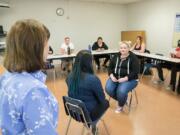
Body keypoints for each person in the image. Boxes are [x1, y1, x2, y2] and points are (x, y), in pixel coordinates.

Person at [0, 19, 59, 135]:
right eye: (47, 43)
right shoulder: (33, 91)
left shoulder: (6, 77)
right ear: (36, 48)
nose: (49, 47)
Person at [66, 50, 109, 134]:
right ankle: (92, 125)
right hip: (87, 114)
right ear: (89, 63)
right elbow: (102, 99)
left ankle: (90, 125)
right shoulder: (93, 79)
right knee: (106, 102)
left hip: (74, 111)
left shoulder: (69, 77)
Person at [105, 41, 139, 113]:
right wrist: (111, 76)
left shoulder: (133, 58)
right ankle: (123, 99)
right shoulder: (116, 56)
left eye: (125, 48)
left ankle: (120, 105)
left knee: (121, 91)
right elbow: (110, 67)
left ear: (129, 49)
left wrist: (125, 78)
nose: (122, 49)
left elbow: (135, 71)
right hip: (115, 78)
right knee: (108, 89)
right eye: (121, 48)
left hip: (130, 79)